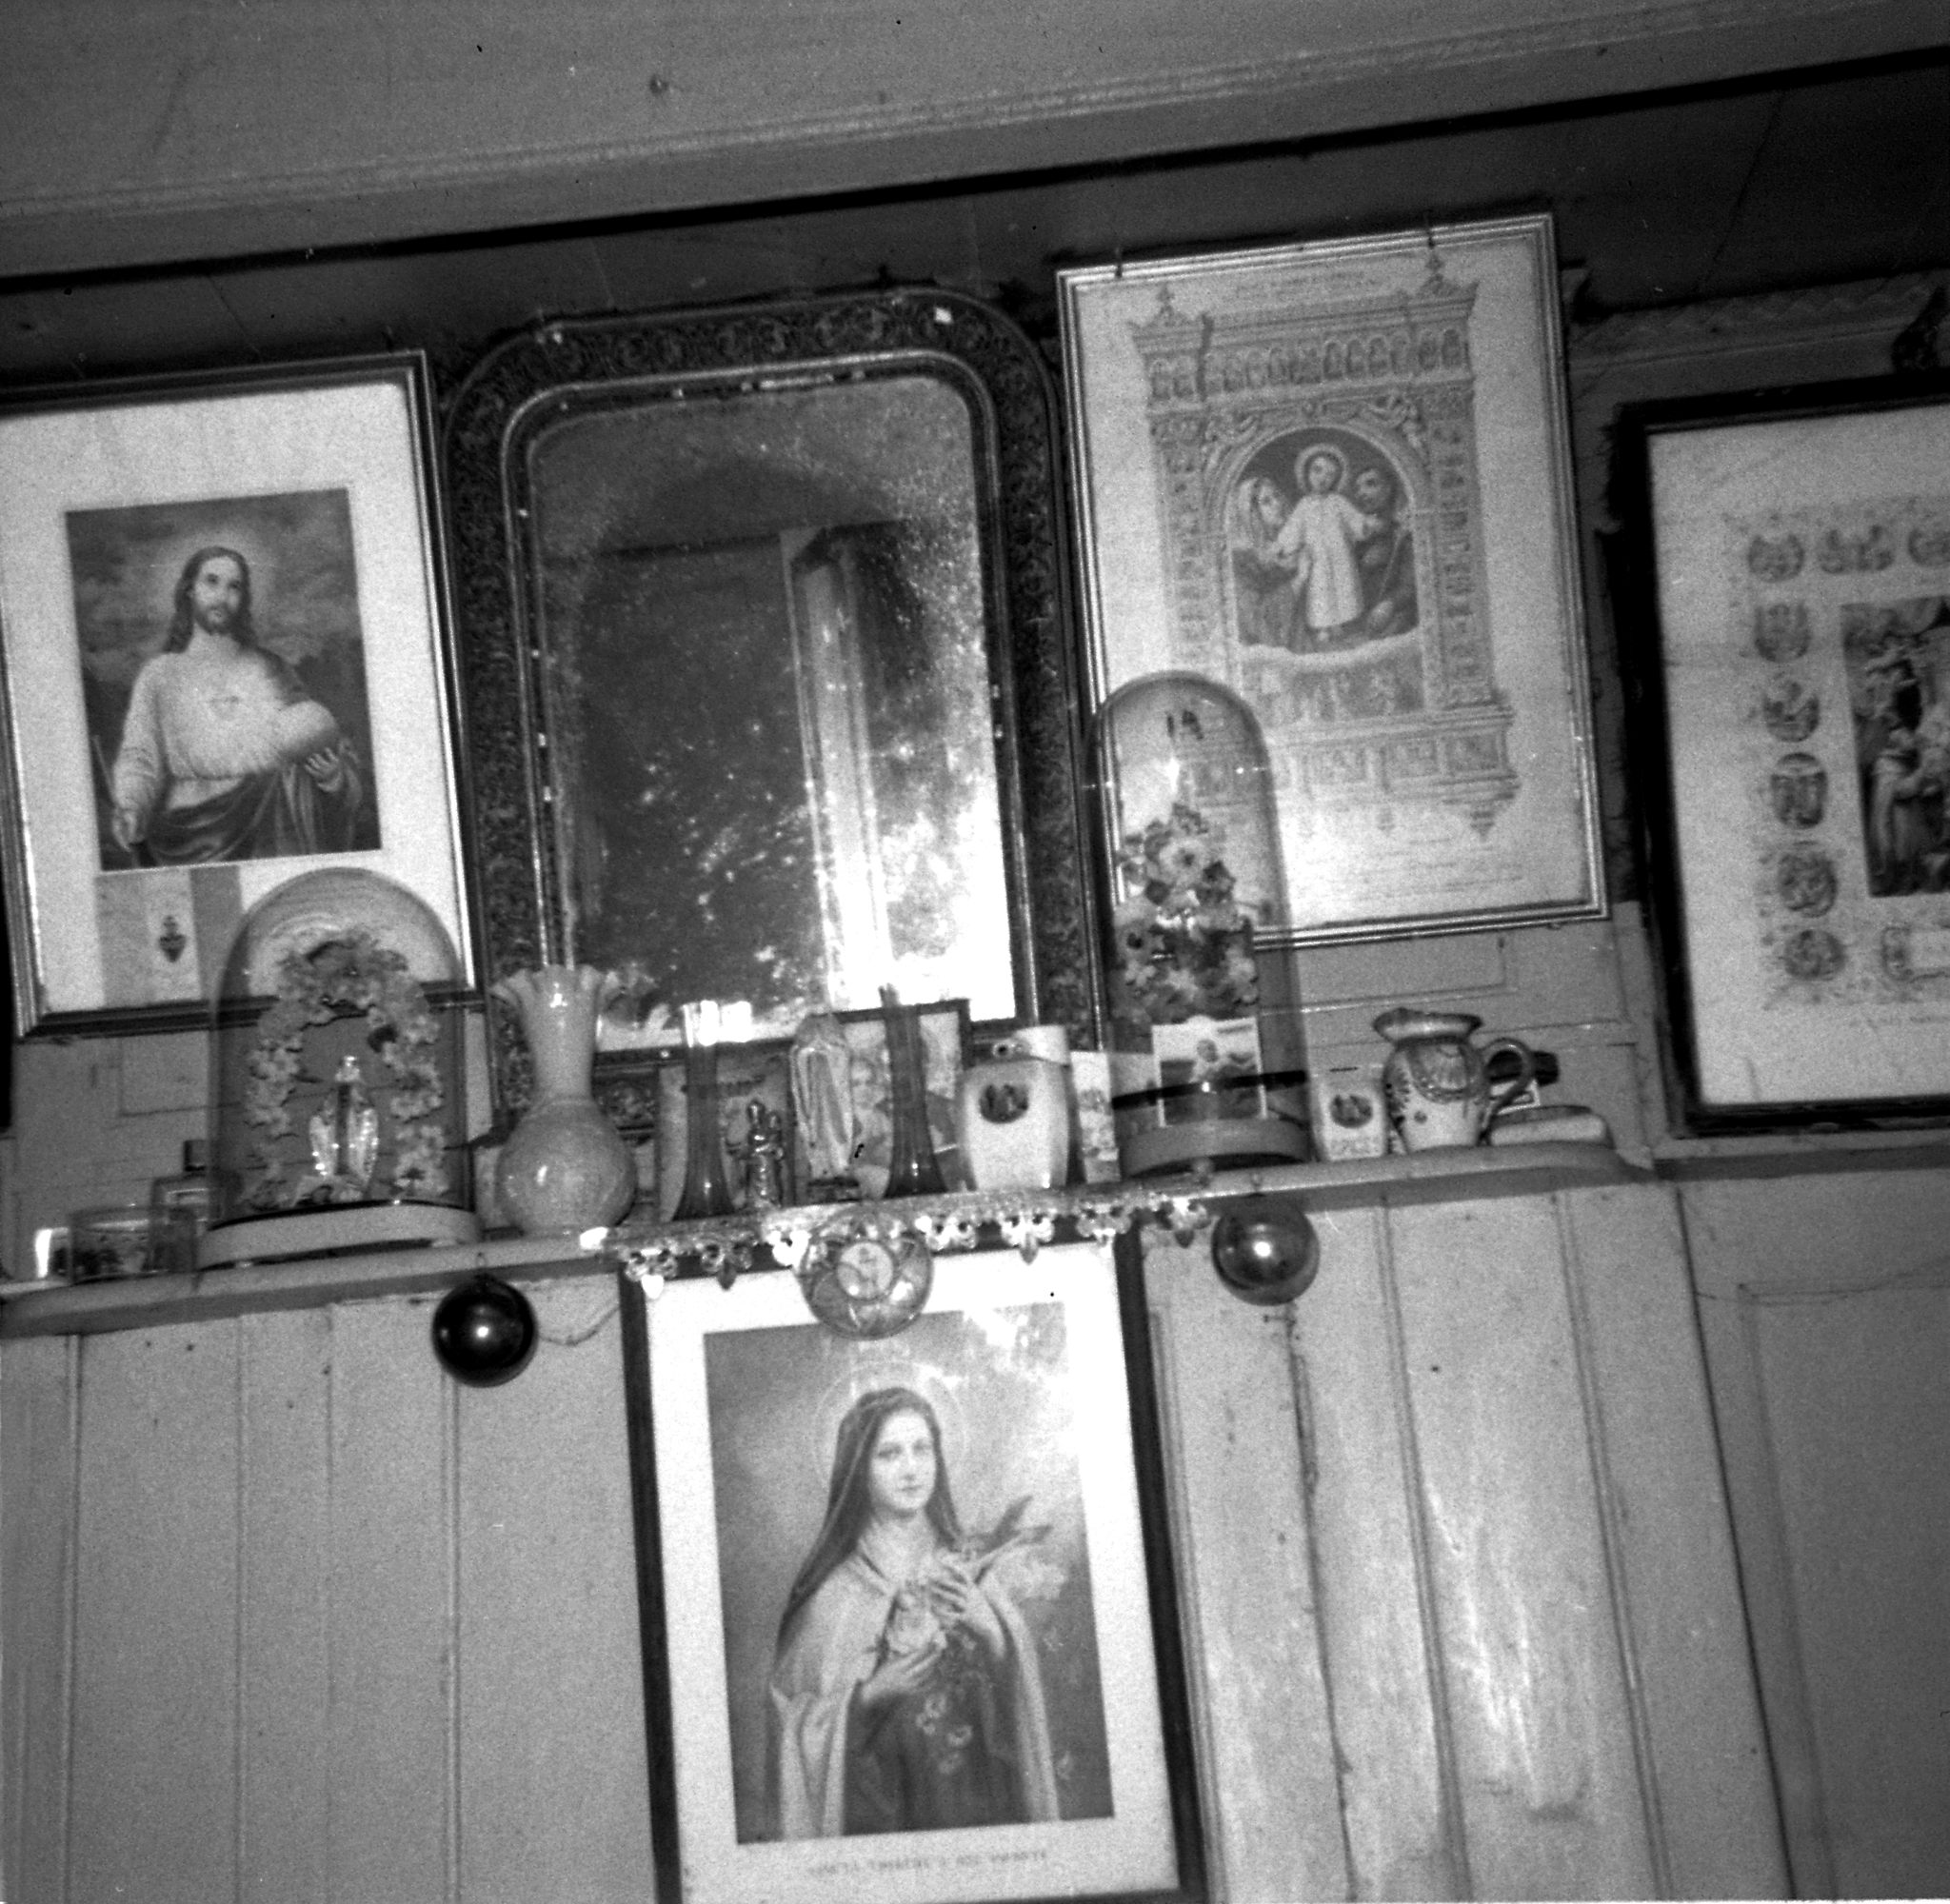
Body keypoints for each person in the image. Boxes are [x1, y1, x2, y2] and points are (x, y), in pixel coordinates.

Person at [766, 1384, 1060, 1839]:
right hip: (879, 1820)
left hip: (979, 1806)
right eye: (889, 1454)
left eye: (922, 1449)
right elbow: (790, 1723)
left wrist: (992, 1632)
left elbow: (1017, 1714)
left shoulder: (970, 1569)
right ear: (858, 1470)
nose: (911, 1469)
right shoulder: (834, 1594)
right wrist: (868, 1697)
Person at [109, 545, 363, 864]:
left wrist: (332, 777)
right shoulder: (160, 675)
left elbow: (317, 735)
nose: (222, 596)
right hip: (185, 836)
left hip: (273, 832)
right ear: (189, 590)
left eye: (234, 587)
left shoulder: (271, 668)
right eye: (211, 582)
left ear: (244, 598)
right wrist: (131, 805)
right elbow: (140, 753)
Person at [1272, 446, 1375, 642]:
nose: (1322, 478)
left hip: (1340, 556)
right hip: (1317, 559)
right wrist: (1282, 545)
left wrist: (1365, 525)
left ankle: (1340, 624)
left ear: (1336, 479)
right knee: (1321, 591)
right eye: (1317, 470)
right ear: (1307, 472)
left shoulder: (1338, 501)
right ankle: (1323, 627)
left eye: (1330, 474)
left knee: (1342, 587)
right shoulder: (1304, 505)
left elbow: (1354, 520)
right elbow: (1294, 529)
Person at [1225, 473, 1302, 650]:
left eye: (1277, 496)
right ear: (1251, 513)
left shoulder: (1289, 548)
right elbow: (1257, 621)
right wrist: (1298, 582)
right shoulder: (1242, 560)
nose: (1278, 504)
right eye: (1266, 501)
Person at [1351, 465, 1418, 639]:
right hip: (1357, 622)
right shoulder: (1355, 537)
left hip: (1392, 619)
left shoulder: (1403, 535)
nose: (1361, 493)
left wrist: (1390, 604)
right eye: (1357, 488)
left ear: (1389, 489)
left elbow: (1411, 584)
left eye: (1370, 484)